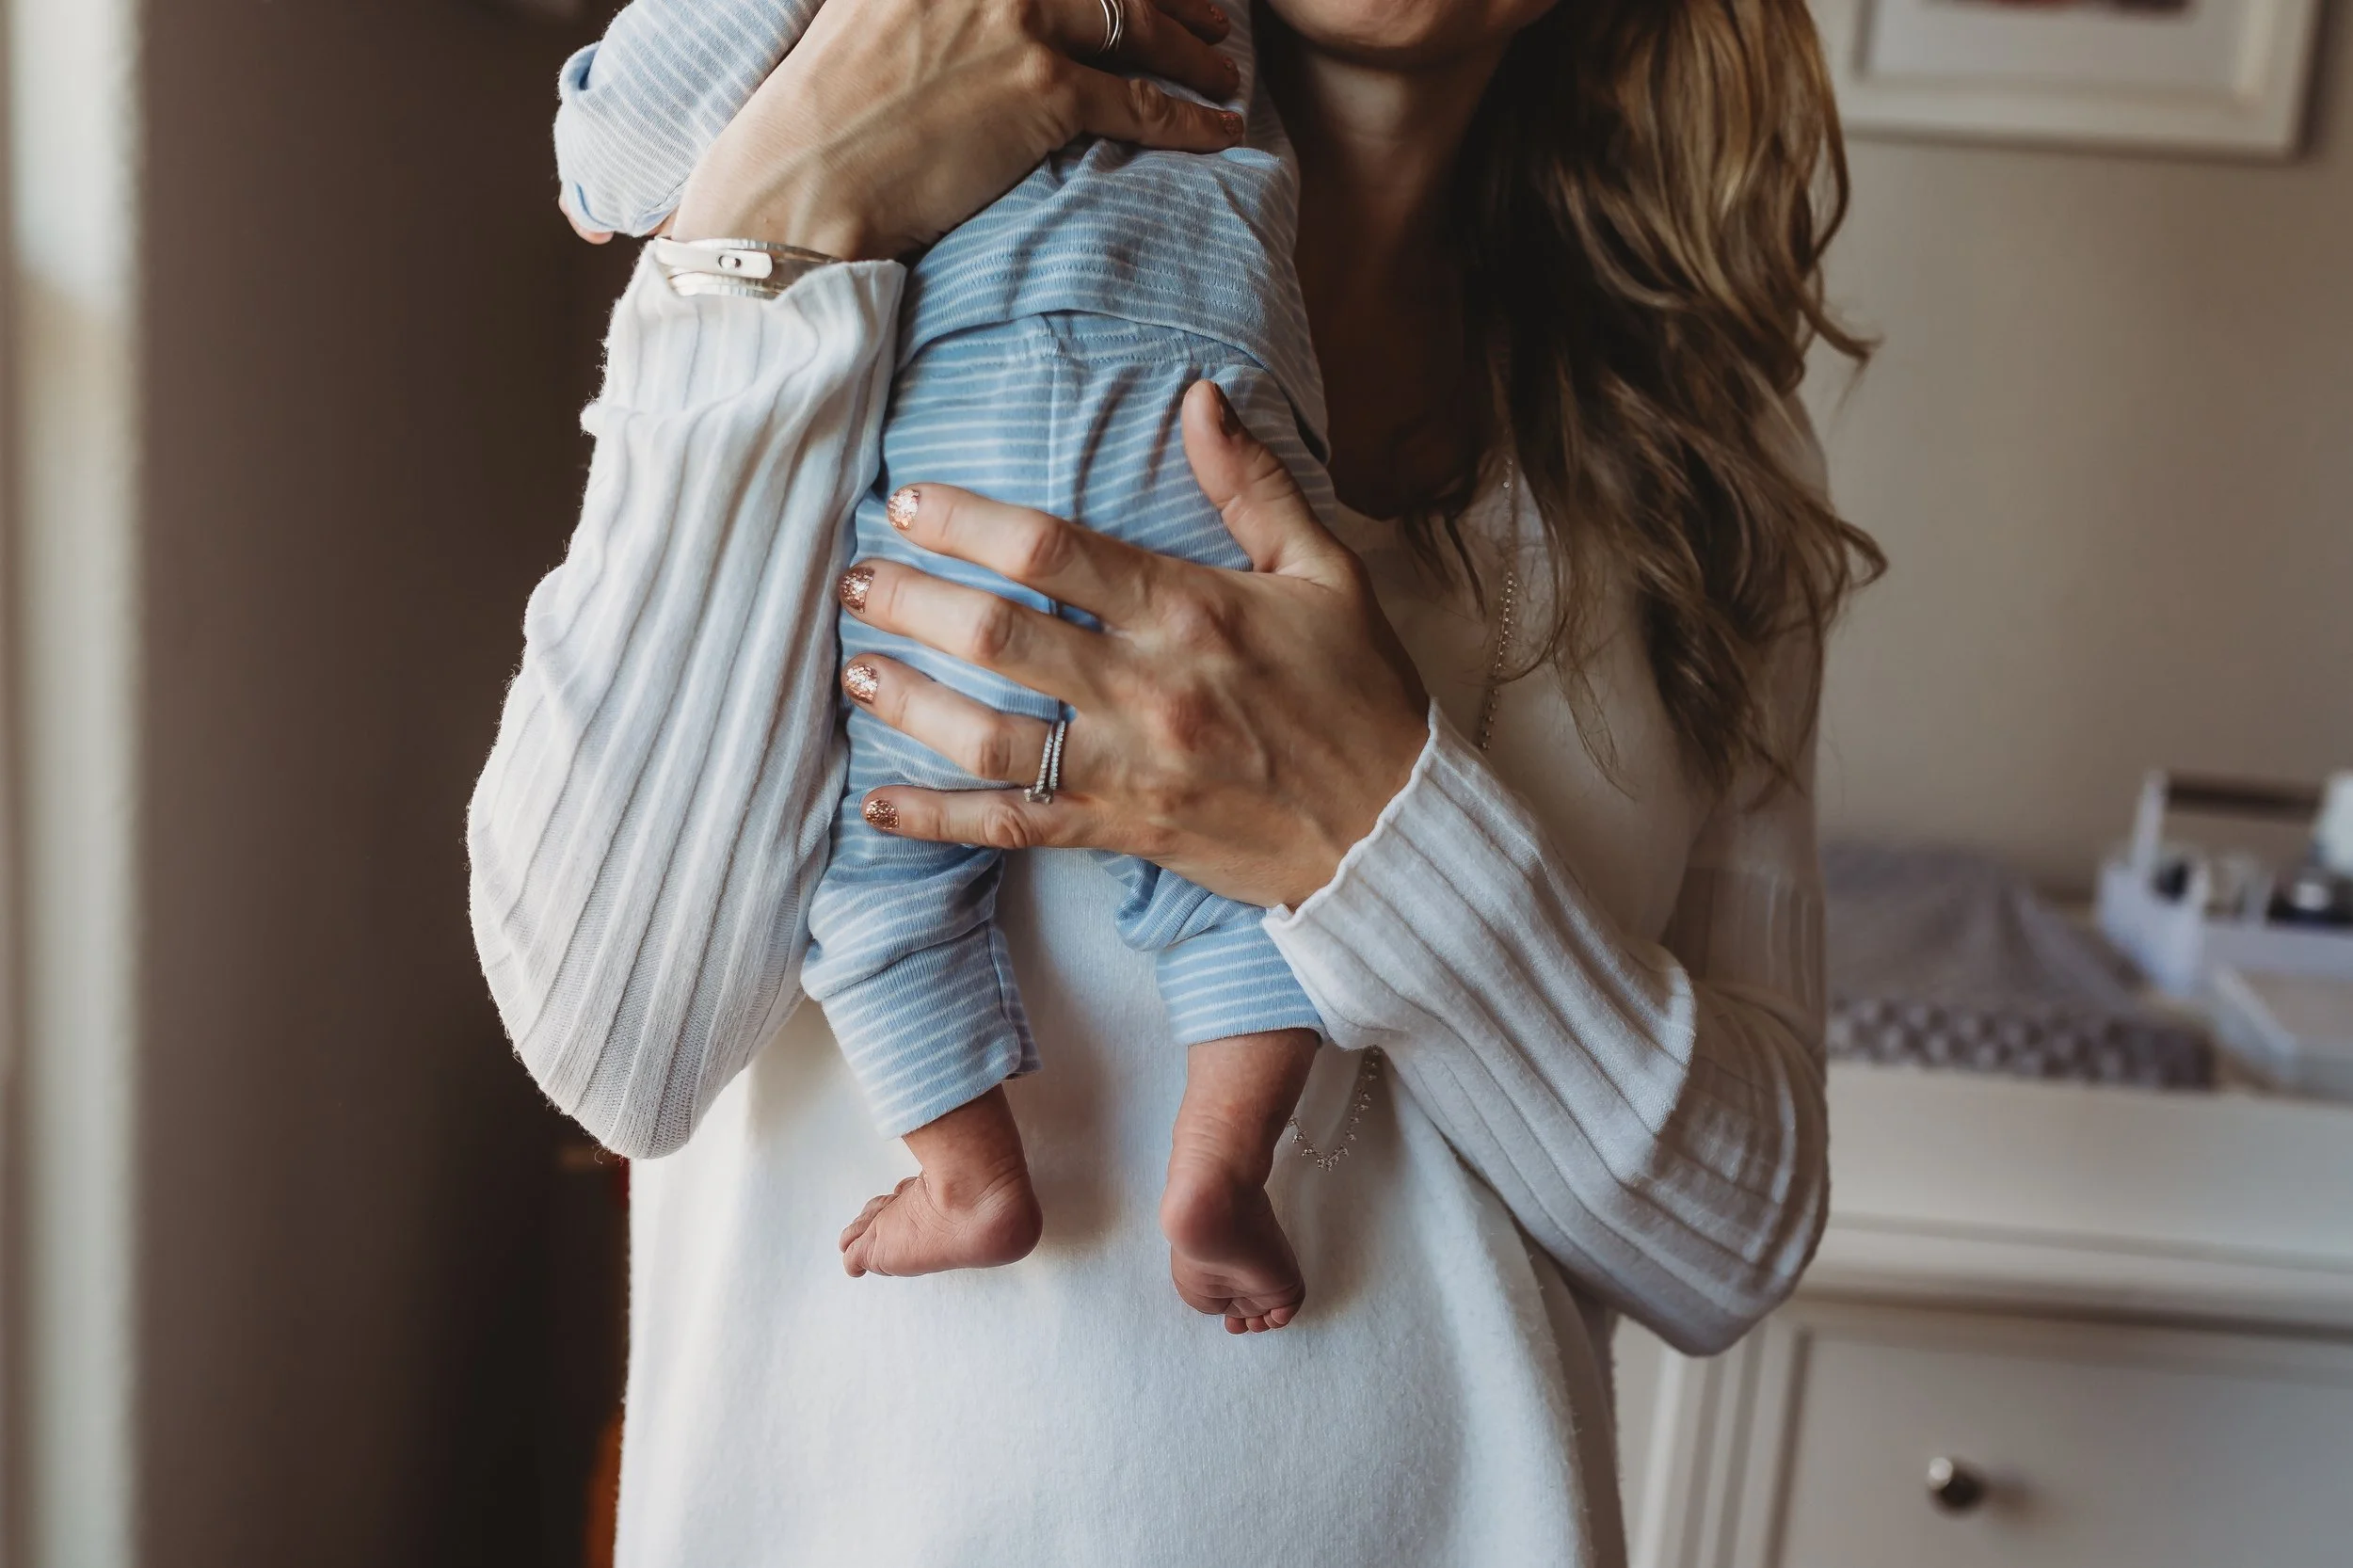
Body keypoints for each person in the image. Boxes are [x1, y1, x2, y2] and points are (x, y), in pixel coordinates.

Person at [465, 0, 1879, 1560]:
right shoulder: (856, 225)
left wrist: (1380, 830)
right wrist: (784, 198)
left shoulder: (1699, 445)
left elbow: (1734, 1242)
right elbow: (620, 1045)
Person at [551, 0, 1337, 1329]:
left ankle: (973, 1179)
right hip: (1211, 410)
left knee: (880, 865)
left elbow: (628, 150)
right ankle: (1221, 1163)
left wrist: (591, 137)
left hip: (977, 416)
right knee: (1252, 842)